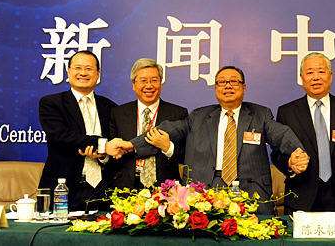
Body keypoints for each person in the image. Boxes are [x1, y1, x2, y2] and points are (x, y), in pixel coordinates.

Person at [108, 66, 309, 214]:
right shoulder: (199, 116)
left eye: (234, 82)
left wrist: (296, 152)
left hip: (250, 194)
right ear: (215, 88)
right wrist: (131, 144)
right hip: (205, 193)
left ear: (244, 87)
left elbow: (280, 133)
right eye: (222, 82)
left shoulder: (260, 114)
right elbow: (168, 129)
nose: (228, 86)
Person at [273, 52, 335, 215]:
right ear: (302, 78)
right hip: (301, 196)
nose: (316, 77)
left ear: (330, 76)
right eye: (310, 72)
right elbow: (277, 154)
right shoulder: (287, 112)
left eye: (321, 71)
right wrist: (290, 162)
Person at [39, 50, 117, 211]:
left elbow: (115, 142)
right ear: (68, 71)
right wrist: (101, 144)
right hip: (64, 187)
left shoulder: (111, 107)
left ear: (98, 74)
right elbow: (61, 136)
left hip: (104, 188)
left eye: (89, 69)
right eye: (78, 68)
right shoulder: (51, 103)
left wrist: (103, 154)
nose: (83, 73)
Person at [109, 58, 188, 190]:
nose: (149, 86)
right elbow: (113, 155)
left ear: (161, 83)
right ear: (134, 84)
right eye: (143, 81)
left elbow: (186, 155)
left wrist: (168, 148)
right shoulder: (118, 113)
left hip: (166, 189)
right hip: (126, 188)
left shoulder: (178, 113)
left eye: (154, 80)